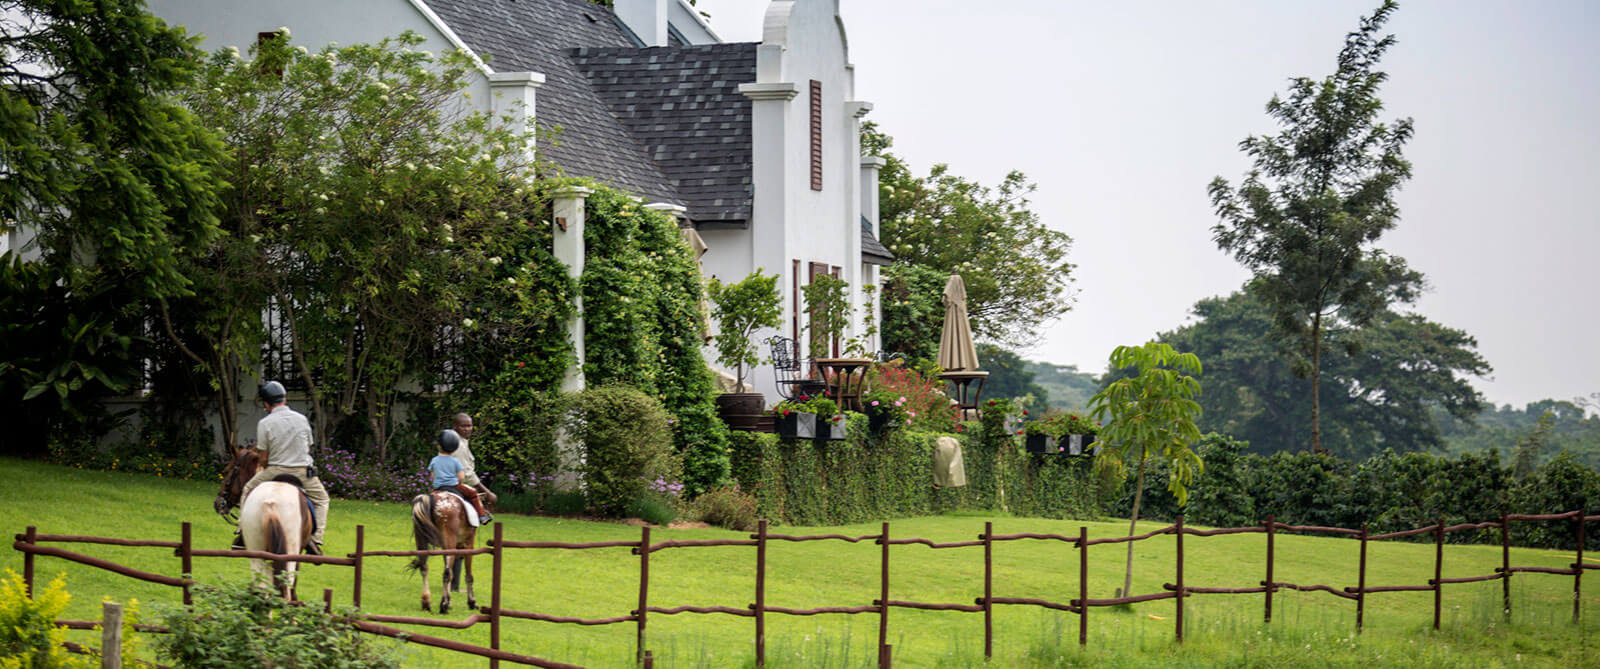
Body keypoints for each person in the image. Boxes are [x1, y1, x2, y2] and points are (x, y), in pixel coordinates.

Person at [234, 381, 331, 555]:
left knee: (248, 488)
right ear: (284, 399)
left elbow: (263, 458)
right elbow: (307, 448)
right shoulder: (302, 419)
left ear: (266, 403)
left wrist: (264, 464)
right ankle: (315, 539)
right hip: (302, 472)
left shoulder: (265, 423)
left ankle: (242, 532)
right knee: (322, 499)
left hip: (275, 471)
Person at [431, 429, 492, 524]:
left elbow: (433, 476)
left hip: (438, 488)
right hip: (454, 486)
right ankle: (482, 515)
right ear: (455, 448)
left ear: (439, 446)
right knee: (473, 494)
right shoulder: (455, 461)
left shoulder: (434, 460)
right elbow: (461, 477)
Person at [450, 413, 497, 509]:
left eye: (469, 426)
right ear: (455, 427)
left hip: (442, 484)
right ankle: (482, 515)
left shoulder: (451, 441)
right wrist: (487, 492)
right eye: (463, 426)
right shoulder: (459, 445)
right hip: (457, 485)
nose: (467, 429)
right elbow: (467, 473)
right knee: (474, 497)